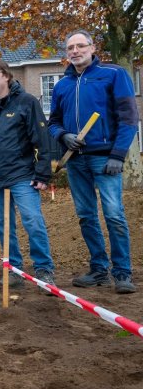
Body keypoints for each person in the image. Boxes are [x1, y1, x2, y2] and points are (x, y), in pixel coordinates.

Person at [49, 30, 139, 294]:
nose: (75, 51)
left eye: (80, 46)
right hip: (76, 161)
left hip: (105, 159)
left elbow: (129, 119)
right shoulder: (62, 86)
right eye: (70, 48)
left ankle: (122, 273)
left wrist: (117, 155)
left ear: (92, 47)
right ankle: (99, 270)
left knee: (114, 215)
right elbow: (53, 123)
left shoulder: (113, 75)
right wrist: (64, 136)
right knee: (86, 216)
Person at [0, 58, 56, 289]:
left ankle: (44, 270)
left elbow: (42, 140)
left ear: (5, 76)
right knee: (2, 225)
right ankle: (14, 270)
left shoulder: (26, 102)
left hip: (22, 175)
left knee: (32, 221)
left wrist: (43, 174)